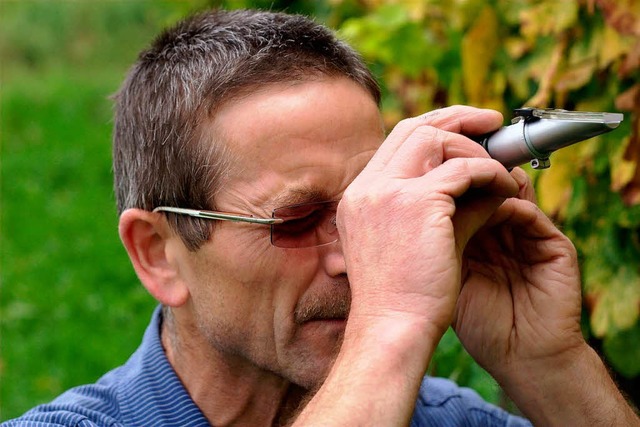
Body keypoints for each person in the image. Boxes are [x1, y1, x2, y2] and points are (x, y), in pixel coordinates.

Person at [5, 8, 639, 427]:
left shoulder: (448, 419)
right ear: (158, 253)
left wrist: (549, 366)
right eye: (300, 219)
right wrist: (389, 324)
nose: (357, 253)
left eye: (370, 201)